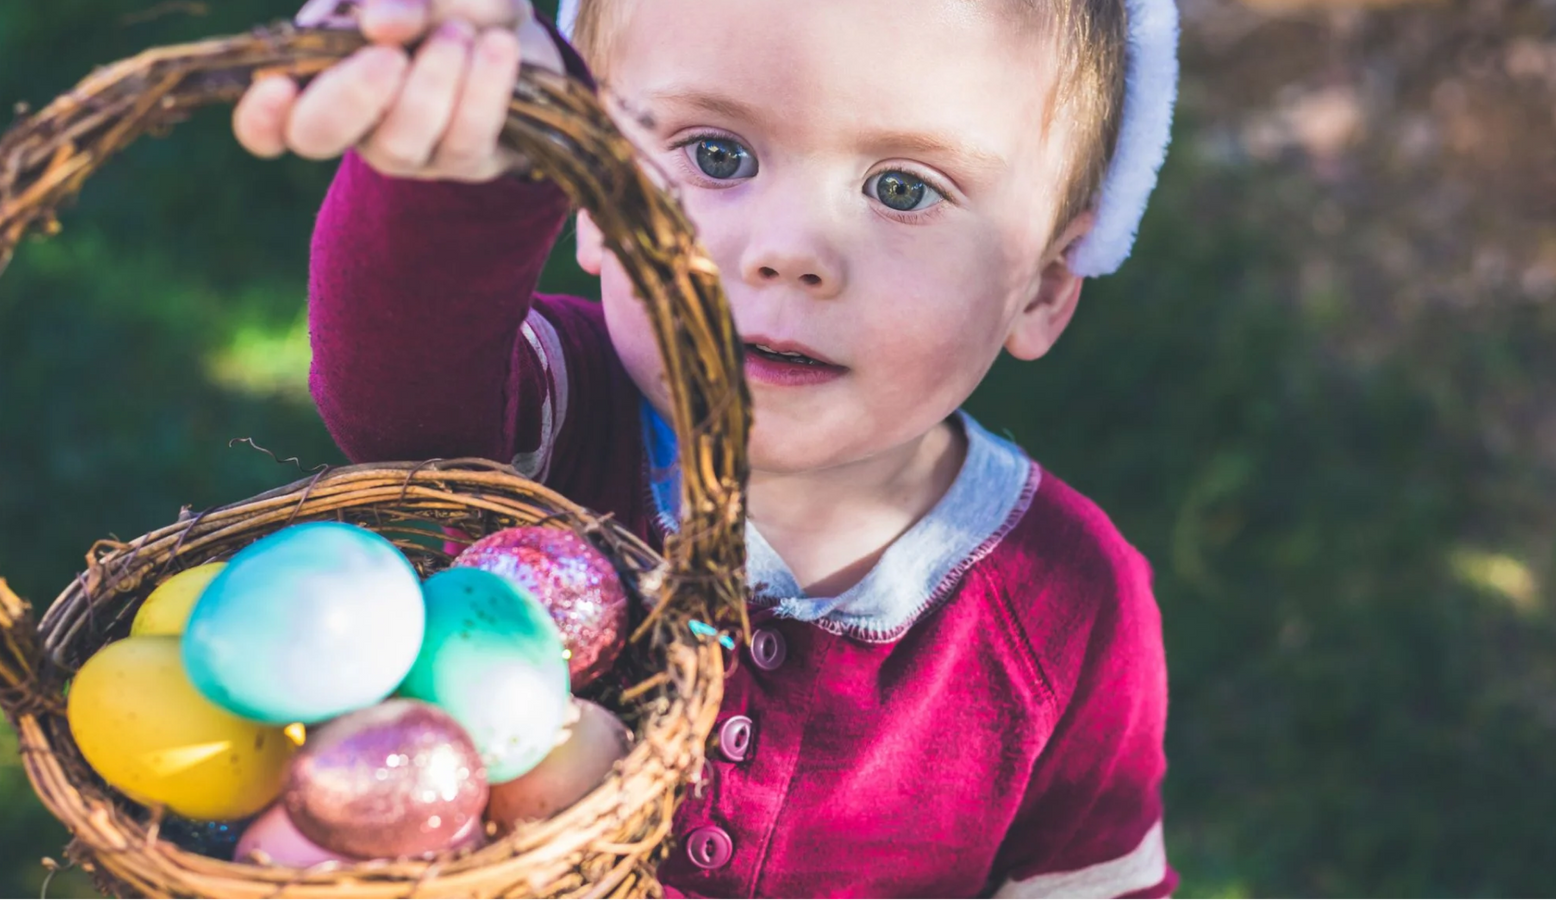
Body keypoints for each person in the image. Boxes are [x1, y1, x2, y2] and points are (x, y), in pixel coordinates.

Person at [233, 0, 1181, 896]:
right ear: (595, 200)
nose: (791, 248)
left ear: (1047, 284)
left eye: (904, 188)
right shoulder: (556, 414)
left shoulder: (1070, 607)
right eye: (717, 154)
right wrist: (482, 150)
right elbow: (399, 388)